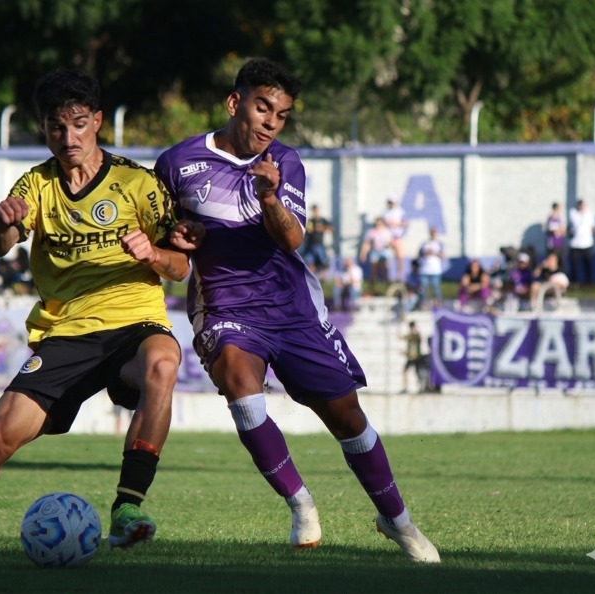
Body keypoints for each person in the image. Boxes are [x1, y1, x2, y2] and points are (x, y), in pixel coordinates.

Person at [154, 57, 439, 562]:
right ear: (235, 102)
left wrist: (268, 198)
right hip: (225, 304)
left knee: (347, 419)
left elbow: (291, 239)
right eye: (264, 108)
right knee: (240, 385)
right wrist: (178, 237)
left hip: (292, 309)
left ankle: (397, 520)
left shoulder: (285, 161)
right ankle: (301, 502)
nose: (271, 122)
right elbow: (172, 253)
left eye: (282, 115)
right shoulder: (177, 163)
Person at [0, 68, 189, 563]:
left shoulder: (137, 183)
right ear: (43, 128)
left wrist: (152, 255)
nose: (68, 138)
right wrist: (2, 223)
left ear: (97, 121)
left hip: (133, 324)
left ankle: (127, 507)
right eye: (56, 127)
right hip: (65, 334)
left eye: (78, 125)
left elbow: (181, 266)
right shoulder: (36, 184)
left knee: (164, 361)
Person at [358, 216, 393, 296]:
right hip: (375, 252)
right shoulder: (371, 232)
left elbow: (391, 243)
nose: (378, 225)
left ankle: (388, 291)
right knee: (373, 272)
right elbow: (367, 243)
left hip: (384, 252)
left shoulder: (387, 232)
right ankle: (371, 291)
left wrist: (387, 244)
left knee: (385, 271)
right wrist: (363, 253)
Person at [567, 199, 595, 286]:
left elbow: (593, 227)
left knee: (587, 263)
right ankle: (574, 281)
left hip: (586, 243)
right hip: (575, 244)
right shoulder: (573, 213)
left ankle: (588, 281)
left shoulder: (589, 214)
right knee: (574, 264)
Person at [417, 227, 446, 308]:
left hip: (435, 270)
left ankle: (438, 303)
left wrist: (435, 253)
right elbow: (419, 256)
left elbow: (443, 256)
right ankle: (423, 303)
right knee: (423, 288)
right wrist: (426, 254)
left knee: (436, 287)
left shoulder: (439, 244)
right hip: (424, 270)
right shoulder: (425, 244)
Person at [382, 195, 408, 279]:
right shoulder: (385, 213)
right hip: (387, 238)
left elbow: (406, 224)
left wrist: (396, 223)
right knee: (387, 258)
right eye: (389, 202)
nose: (390, 204)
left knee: (400, 257)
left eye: (392, 202)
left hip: (397, 237)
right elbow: (382, 225)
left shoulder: (400, 212)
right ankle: (388, 277)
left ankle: (400, 276)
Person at [301, 204, 332, 274]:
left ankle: (323, 277)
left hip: (319, 245)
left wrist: (322, 228)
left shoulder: (322, 220)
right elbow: (308, 230)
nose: (315, 212)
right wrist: (315, 229)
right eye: (314, 211)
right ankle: (312, 276)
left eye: (316, 211)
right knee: (309, 262)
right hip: (311, 246)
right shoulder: (311, 221)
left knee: (323, 262)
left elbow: (331, 228)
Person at [400, 321, 423, 394]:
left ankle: (420, 388)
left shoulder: (417, 335)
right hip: (411, 358)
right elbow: (401, 337)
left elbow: (419, 338)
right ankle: (405, 387)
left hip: (417, 358)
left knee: (418, 373)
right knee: (405, 371)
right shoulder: (410, 336)